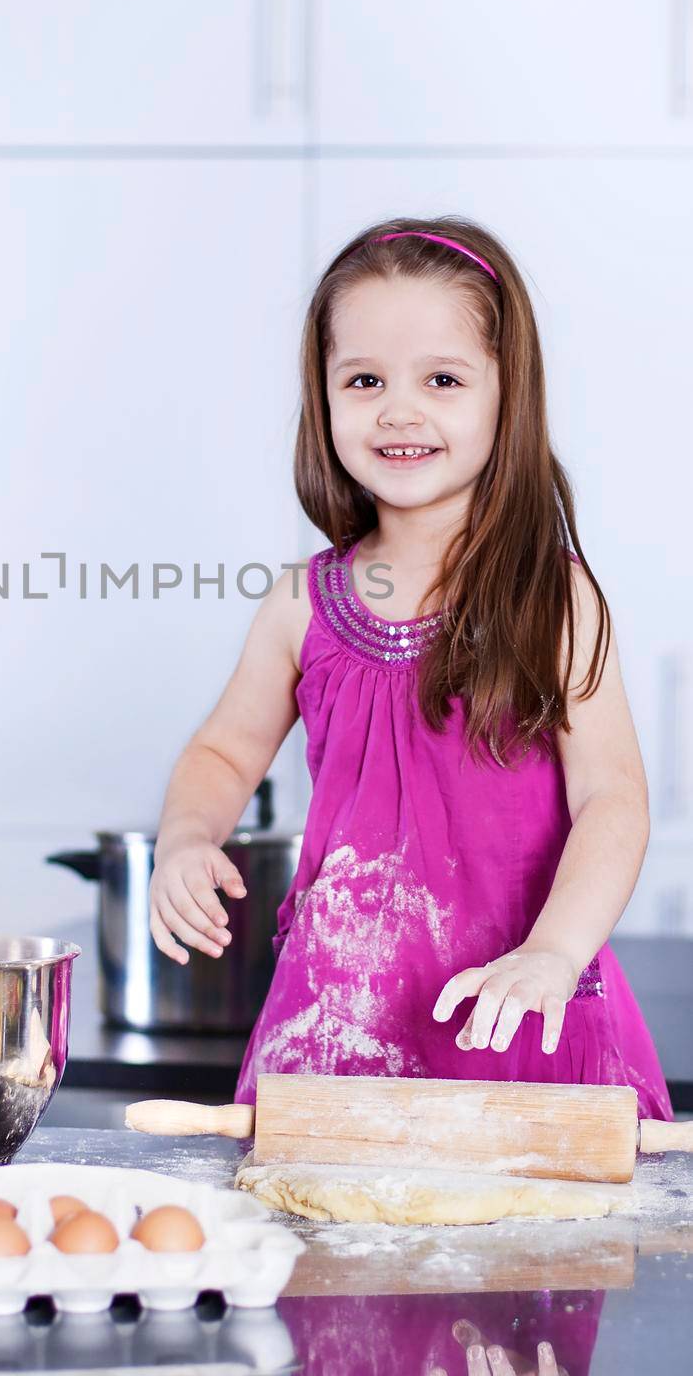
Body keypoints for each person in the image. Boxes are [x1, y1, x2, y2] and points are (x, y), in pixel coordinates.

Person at [148, 218, 672, 1122]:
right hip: (339, 1033)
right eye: (363, 380)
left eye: (441, 379)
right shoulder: (301, 604)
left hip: (522, 1028)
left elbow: (612, 799)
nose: (398, 409)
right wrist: (185, 839)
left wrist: (553, 951)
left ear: (508, 397)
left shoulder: (552, 598)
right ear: (323, 401)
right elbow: (224, 753)